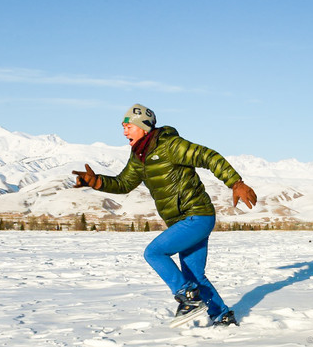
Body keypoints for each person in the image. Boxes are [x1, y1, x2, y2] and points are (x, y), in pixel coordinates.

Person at [72, 103, 257, 328]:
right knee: (194, 276)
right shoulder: (139, 156)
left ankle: (187, 298)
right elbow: (124, 183)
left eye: (127, 126)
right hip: (185, 220)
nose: (124, 132)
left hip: (197, 215)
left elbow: (207, 156)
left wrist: (235, 182)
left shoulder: (170, 145)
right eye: (123, 127)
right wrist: (97, 182)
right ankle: (222, 316)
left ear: (143, 126)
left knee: (154, 252)